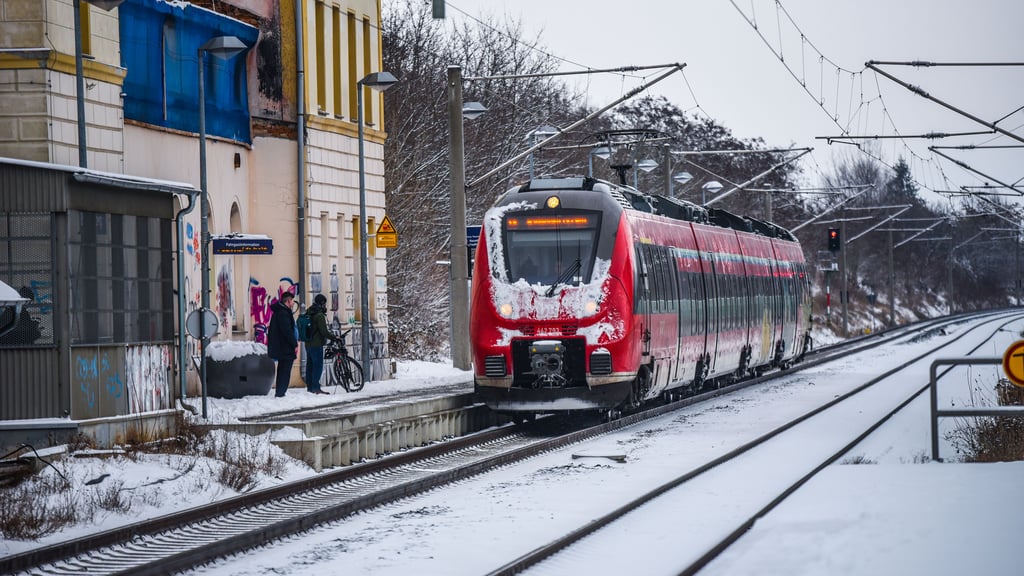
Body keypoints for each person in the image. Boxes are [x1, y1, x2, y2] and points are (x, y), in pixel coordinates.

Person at [305, 294, 340, 394]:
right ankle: (316, 388)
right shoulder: (319, 315)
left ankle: (310, 387)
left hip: (308, 344)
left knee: (310, 366)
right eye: (324, 304)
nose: (325, 306)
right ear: (322, 303)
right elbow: (324, 331)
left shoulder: (309, 312)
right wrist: (334, 337)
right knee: (317, 366)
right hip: (316, 344)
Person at [266, 291, 298, 397]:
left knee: (283, 370)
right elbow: (287, 331)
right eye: (292, 301)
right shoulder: (283, 313)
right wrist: (294, 343)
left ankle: (280, 392)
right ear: (288, 301)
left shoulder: (280, 312)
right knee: (285, 371)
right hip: (285, 347)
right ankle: (281, 393)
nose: (293, 303)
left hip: (282, 347)